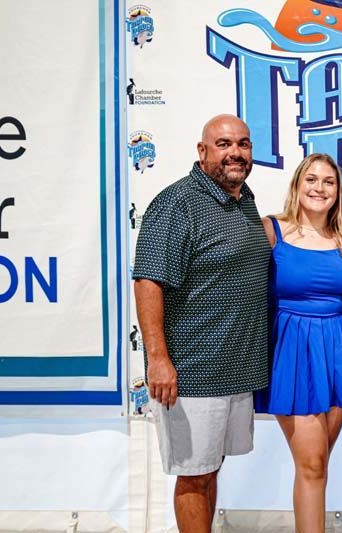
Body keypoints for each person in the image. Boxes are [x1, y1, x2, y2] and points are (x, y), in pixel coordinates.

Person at [132, 114, 271, 533]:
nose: (236, 153)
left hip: (232, 371)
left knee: (211, 468)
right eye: (224, 144)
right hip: (190, 373)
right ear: (202, 151)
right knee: (193, 475)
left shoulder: (243, 199)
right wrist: (158, 359)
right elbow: (148, 281)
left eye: (243, 144)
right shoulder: (177, 203)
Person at [254, 153, 342, 532]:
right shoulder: (270, 229)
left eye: (328, 181)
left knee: (316, 465)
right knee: (312, 464)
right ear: (297, 185)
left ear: (338, 191)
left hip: (338, 351)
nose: (319, 188)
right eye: (311, 180)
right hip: (293, 351)